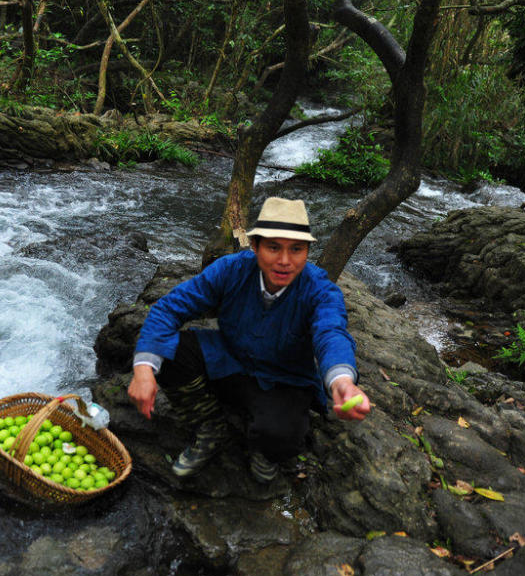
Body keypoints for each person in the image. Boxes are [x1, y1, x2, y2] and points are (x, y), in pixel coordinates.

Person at [127, 196, 371, 483]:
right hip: (230, 359)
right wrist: (143, 369)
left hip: (283, 378)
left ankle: (265, 451)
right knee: (165, 354)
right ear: (254, 247)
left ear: (307, 252)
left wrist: (342, 381)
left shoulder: (321, 291)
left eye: (296, 249)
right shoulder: (230, 270)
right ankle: (210, 426)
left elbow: (331, 334)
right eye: (273, 247)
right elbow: (169, 309)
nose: (284, 261)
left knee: (282, 437)